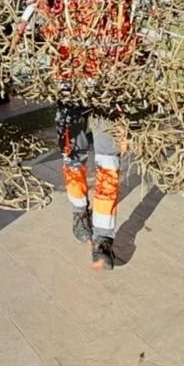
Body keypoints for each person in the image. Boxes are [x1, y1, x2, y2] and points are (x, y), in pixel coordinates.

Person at [56, 103, 122, 270]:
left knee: (109, 163)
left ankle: (103, 239)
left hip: (108, 90)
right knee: (73, 157)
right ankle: (80, 212)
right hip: (70, 87)